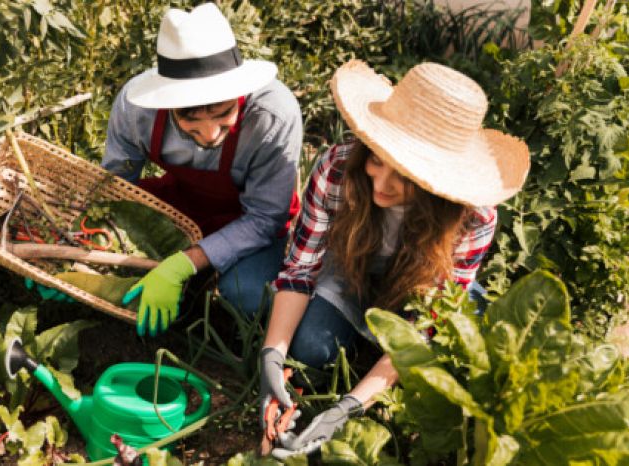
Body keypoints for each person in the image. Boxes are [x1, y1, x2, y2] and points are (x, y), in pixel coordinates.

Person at [259, 60, 530, 459]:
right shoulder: (337, 169)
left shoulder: (474, 218)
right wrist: (271, 356)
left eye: (404, 177)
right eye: (376, 160)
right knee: (311, 348)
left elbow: (424, 325)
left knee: (457, 361)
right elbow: (301, 269)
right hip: (353, 273)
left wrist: (348, 408)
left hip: (419, 292)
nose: (381, 185)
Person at [100, 3, 302, 337]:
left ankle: (201, 282)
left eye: (222, 113)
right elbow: (117, 188)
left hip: (250, 221)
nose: (209, 133)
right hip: (181, 204)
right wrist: (82, 252)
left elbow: (266, 217)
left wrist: (186, 262)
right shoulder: (136, 110)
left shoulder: (273, 116)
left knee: (249, 296)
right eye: (189, 119)